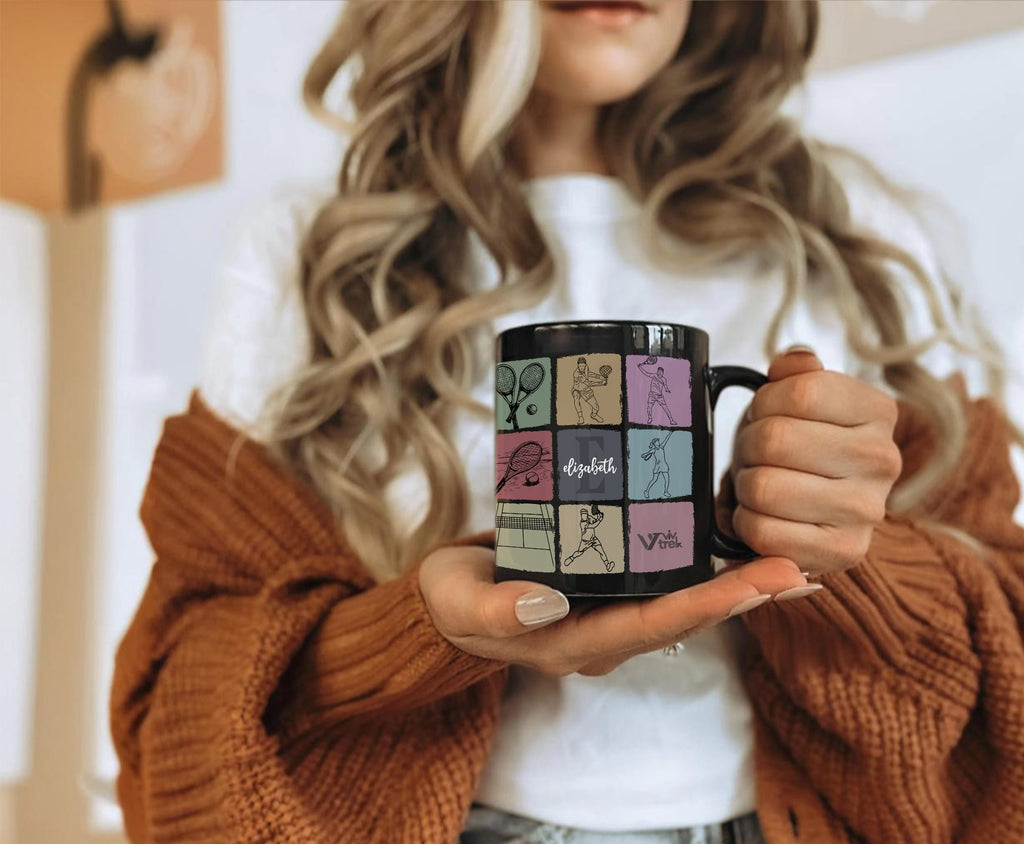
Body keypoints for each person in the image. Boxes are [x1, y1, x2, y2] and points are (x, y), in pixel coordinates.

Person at [109, 2, 1024, 843]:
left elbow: (1003, 655)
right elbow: (183, 687)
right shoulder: (315, 256)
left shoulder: (849, 233)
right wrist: (415, 633)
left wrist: (846, 561)